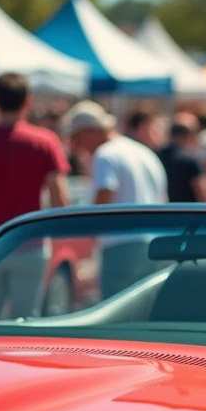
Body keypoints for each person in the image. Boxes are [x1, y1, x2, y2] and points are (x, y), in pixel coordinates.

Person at [0, 73, 71, 319]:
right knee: (27, 318)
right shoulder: (45, 141)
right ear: (27, 102)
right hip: (30, 242)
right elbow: (59, 198)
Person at [62, 100, 167, 297]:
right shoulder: (144, 153)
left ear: (88, 131)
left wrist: (89, 249)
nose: (76, 147)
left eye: (76, 138)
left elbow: (103, 201)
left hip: (120, 246)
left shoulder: (105, 155)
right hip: (153, 245)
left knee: (115, 315)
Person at [157, 112, 206, 203]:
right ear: (191, 135)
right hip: (189, 214)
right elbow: (204, 193)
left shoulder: (156, 155)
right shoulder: (192, 159)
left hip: (160, 213)